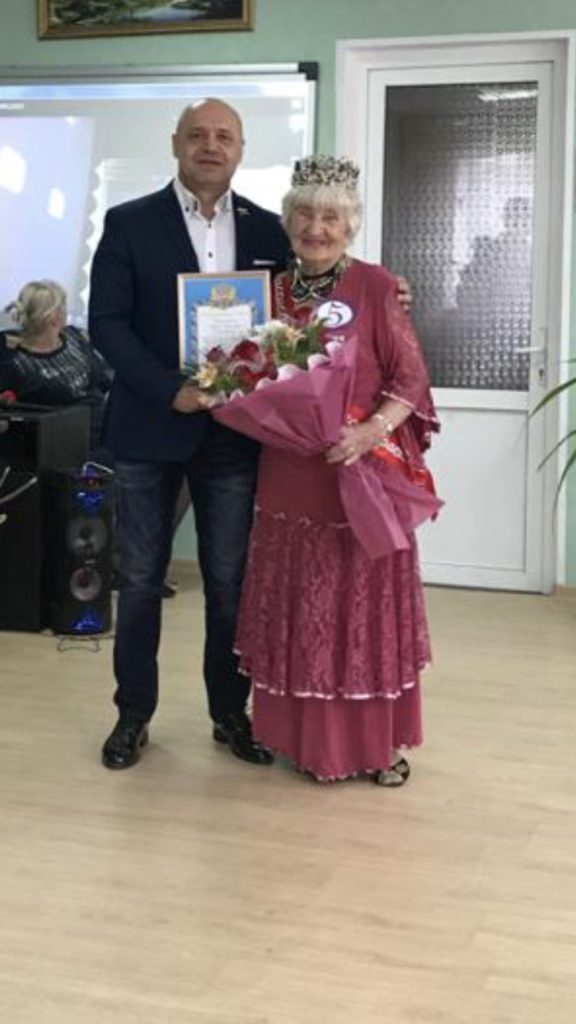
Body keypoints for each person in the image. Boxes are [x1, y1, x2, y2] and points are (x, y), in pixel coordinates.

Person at [88, 99, 413, 773]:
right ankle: (133, 715)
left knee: (230, 582)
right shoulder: (128, 222)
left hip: (236, 440)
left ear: (240, 149)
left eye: (224, 137)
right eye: (198, 135)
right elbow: (108, 325)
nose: (210, 146)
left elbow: (317, 290)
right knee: (140, 580)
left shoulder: (269, 229)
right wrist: (169, 390)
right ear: (176, 143)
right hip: (150, 428)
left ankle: (230, 713)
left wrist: (389, 292)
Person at [234, 156, 440, 785]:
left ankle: (373, 746)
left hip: (359, 475)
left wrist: (368, 432)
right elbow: (242, 371)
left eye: (330, 216)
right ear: (287, 221)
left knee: (360, 612)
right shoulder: (267, 292)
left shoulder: (377, 285)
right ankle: (301, 740)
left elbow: (411, 378)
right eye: (304, 214)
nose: (316, 227)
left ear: (350, 225)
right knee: (299, 608)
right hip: (288, 474)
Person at [0, 280, 112, 454]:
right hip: (60, 443)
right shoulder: (14, 361)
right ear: (54, 316)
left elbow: (103, 379)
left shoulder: (76, 337)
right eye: (63, 306)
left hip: (104, 428)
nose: (66, 312)